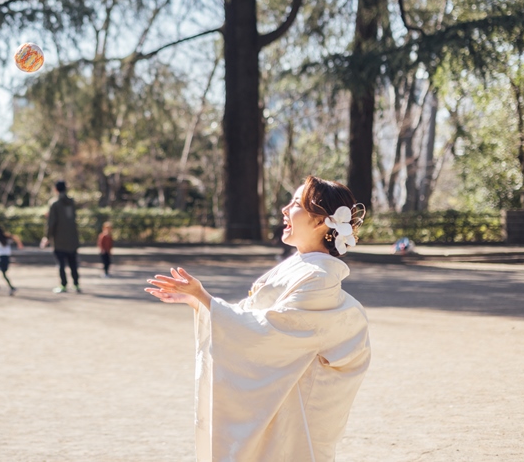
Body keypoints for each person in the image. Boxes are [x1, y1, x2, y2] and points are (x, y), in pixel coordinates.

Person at [146, 175, 371, 462]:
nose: (285, 210)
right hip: (284, 396)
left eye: (296, 203)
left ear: (320, 221)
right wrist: (201, 303)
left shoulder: (320, 278)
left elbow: (271, 332)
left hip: (298, 406)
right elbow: (254, 316)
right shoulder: (301, 267)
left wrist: (207, 299)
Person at [40, 180, 80, 293]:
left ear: (55, 189)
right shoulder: (71, 202)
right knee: (73, 263)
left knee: (61, 264)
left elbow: (51, 223)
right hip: (72, 239)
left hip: (59, 240)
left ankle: (63, 285)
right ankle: (76, 284)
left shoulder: (55, 203)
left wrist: (47, 237)